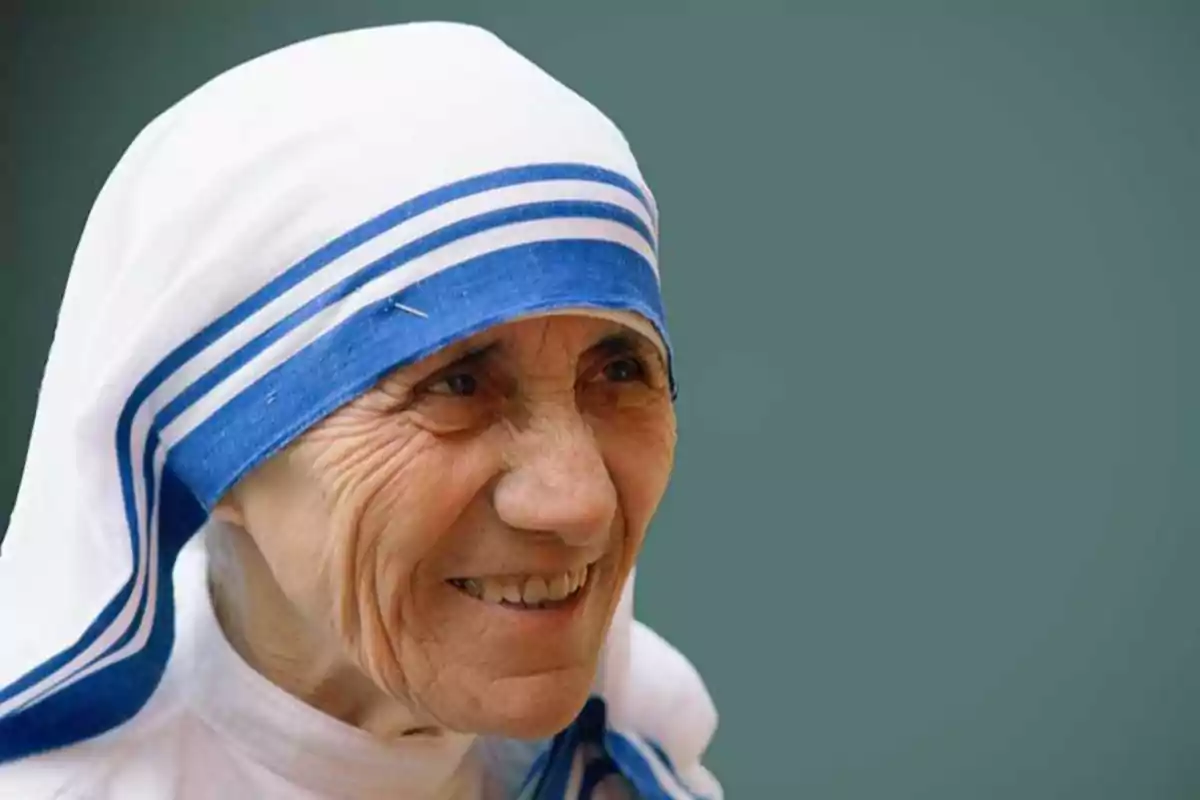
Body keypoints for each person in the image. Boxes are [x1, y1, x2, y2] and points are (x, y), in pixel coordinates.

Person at [0, 20, 720, 800]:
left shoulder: (637, 761)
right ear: (213, 454)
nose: (579, 500)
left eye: (619, 369)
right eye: (455, 384)